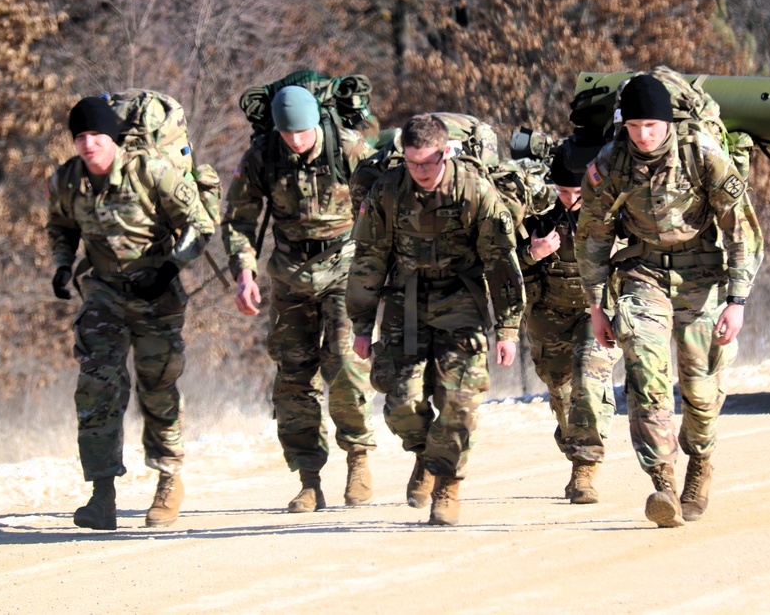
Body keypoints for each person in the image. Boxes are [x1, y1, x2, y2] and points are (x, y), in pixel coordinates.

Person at [575, 75, 763, 527]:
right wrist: (598, 305)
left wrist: (737, 299)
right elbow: (592, 238)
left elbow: (742, 230)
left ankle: (699, 463)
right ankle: (663, 482)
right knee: (644, 369)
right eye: (636, 125)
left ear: (668, 124)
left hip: (703, 273)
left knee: (700, 385)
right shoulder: (611, 162)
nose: (644, 135)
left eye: (653, 126)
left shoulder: (701, 153)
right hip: (643, 272)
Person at [47, 96, 218, 530]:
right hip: (103, 291)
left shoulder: (151, 172)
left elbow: (199, 224)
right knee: (96, 386)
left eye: (97, 136)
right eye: (81, 137)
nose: (89, 145)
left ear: (114, 139)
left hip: (155, 293)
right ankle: (102, 495)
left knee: (157, 388)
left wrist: (169, 268)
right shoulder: (68, 180)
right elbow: (61, 226)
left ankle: (168, 479)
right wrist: (63, 264)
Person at [347, 114, 525, 526]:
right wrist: (361, 324)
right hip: (404, 299)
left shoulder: (474, 191)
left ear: (446, 153)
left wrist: (509, 326)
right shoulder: (388, 191)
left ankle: (447, 486)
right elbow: (369, 258)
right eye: (412, 163)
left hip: (461, 298)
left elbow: (501, 259)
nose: (421, 172)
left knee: (459, 401)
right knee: (401, 404)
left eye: (428, 163)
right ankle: (426, 455)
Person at [222, 85, 378, 513]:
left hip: (345, 266)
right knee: (293, 377)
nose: (296, 140)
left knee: (347, 363)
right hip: (290, 274)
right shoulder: (263, 155)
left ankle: (358, 460)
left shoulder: (348, 147)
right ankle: (309, 478)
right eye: (288, 132)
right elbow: (238, 218)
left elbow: (386, 200)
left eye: (303, 132)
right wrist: (244, 273)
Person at [521, 141, 620, 505]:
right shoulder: (535, 211)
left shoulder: (611, 206)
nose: (569, 199)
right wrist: (533, 252)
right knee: (562, 392)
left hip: (597, 311)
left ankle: (584, 472)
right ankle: (573, 440)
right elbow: (500, 263)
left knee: (588, 381)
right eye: (562, 191)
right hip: (549, 316)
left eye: (577, 192)